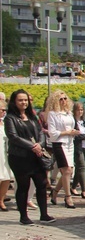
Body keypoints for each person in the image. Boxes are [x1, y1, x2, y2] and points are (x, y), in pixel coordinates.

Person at [4, 90, 55, 225]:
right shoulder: (10, 118)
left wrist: (40, 144)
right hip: (20, 157)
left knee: (42, 184)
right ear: (14, 102)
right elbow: (13, 137)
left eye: (25, 100)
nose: (24, 102)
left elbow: (41, 132)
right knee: (23, 186)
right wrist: (33, 146)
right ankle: (23, 216)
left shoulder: (32, 116)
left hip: (36, 157)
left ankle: (44, 214)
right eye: (20, 100)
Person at [46, 90, 79, 209]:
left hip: (70, 143)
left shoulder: (68, 113)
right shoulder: (52, 114)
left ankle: (54, 192)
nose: (64, 101)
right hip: (59, 144)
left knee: (68, 171)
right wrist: (67, 132)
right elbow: (52, 133)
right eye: (61, 99)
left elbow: (72, 127)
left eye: (65, 98)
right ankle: (68, 196)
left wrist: (74, 132)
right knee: (66, 171)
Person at [70, 102, 85, 199]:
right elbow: (74, 135)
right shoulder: (72, 121)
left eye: (81, 110)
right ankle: (84, 191)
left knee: (80, 168)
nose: (80, 112)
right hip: (77, 147)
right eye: (78, 110)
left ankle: (73, 187)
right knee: (82, 167)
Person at [0, 99, 12, 211]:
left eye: (5, 110)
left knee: (6, 178)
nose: (4, 112)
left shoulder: (4, 123)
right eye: (2, 110)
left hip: (4, 152)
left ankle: (1, 200)